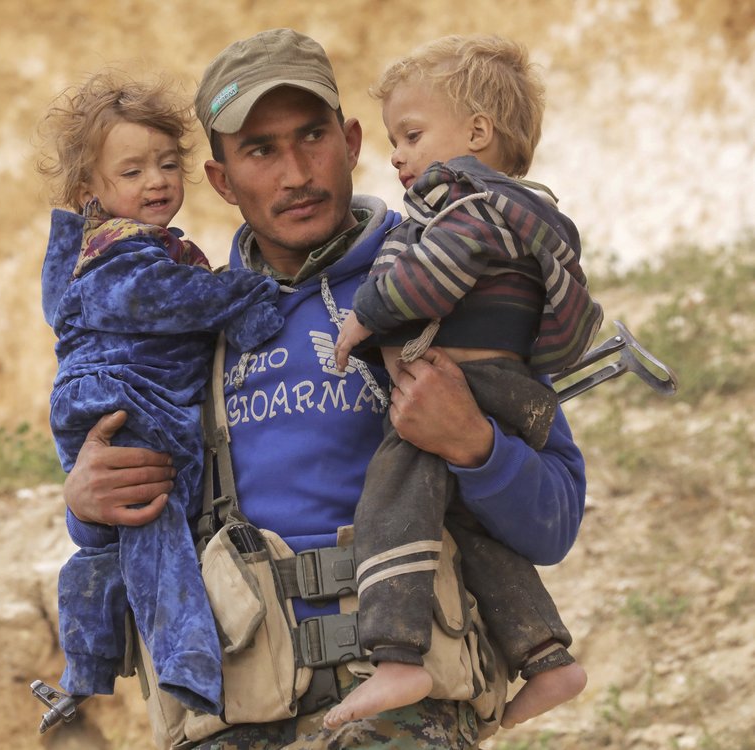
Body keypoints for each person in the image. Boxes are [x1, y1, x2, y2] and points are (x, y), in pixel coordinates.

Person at [62, 29, 588, 749]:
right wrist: (89, 503)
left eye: (312, 137)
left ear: (350, 142)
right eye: (260, 150)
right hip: (236, 718)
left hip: (408, 719)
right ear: (221, 180)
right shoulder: (187, 327)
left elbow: (554, 522)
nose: (295, 172)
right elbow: (127, 512)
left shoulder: (456, 282)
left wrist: (474, 444)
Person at [324, 35, 600, 731]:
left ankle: (396, 654)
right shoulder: (524, 212)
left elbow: (430, 277)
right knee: (472, 532)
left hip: (468, 384)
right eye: (394, 139)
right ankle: (546, 655)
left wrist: (367, 315)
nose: (396, 155)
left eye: (412, 135)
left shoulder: (470, 206)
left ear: (477, 133)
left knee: (395, 487)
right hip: (511, 387)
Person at [37, 70, 283, 715]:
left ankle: (86, 667)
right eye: (132, 172)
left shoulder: (130, 249)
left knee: (113, 543)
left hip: (109, 398)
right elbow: (160, 298)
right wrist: (246, 296)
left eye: (168, 165)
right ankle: (187, 662)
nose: (156, 181)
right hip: (127, 398)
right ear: (91, 190)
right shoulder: (125, 255)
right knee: (155, 524)